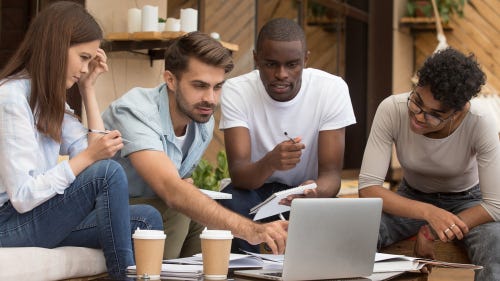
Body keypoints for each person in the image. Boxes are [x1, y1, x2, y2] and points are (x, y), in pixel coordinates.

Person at [0, 2, 163, 279]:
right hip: (9, 224)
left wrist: (88, 89)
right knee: (107, 173)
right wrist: (88, 158)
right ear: (56, 47)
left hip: (38, 217)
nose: (85, 68)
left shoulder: (49, 100)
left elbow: (94, 154)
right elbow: (23, 197)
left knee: (147, 219)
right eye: (83, 57)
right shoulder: (11, 98)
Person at [102, 31, 288, 259]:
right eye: (200, 85)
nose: (210, 98)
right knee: (179, 209)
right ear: (170, 80)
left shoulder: (201, 121)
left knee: (206, 221)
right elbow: (171, 191)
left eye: (217, 87)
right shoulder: (134, 112)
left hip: (149, 207)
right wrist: (252, 230)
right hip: (102, 211)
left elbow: (178, 184)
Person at [358, 48, 499, 280]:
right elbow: (368, 188)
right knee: (357, 231)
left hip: (468, 203)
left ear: (459, 112)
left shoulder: (480, 123)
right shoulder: (392, 109)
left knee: (496, 245)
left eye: (435, 114)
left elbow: (495, 205)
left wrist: (431, 230)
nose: (419, 117)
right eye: (417, 102)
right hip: (410, 198)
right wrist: (428, 213)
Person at [218, 18, 356, 253]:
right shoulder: (237, 90)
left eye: (292, 65)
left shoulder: (332, 89)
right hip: (254, 191)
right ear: (256, 59)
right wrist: (271, 162)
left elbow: (331, 177)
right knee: (228, 203)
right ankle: (244, 272)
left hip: (305, 192)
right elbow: (240, 175)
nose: (281, 74)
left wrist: (316, 192)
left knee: (342, 222)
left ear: (305, 60)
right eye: (271, 64)